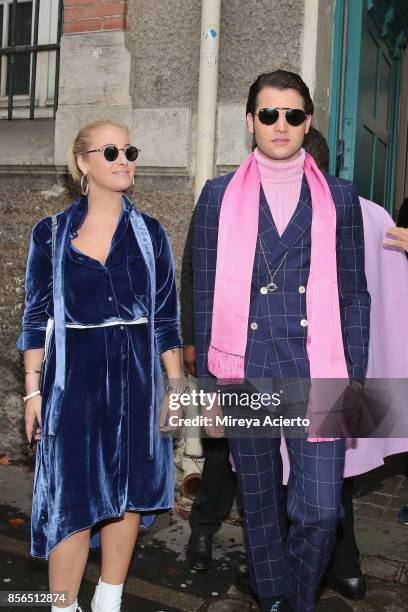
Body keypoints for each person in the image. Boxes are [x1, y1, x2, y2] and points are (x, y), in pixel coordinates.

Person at [191, 70, 370, 612]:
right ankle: (275, 598)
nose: (281, 125)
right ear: (251, 121)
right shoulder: (218, 196)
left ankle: (294, 597)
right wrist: (209, 390)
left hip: (320, 366)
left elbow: (355, 293)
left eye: (293, 114)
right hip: (244, 364)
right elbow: (200, 292)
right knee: (261, 501)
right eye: (269, 114)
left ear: (307, 121)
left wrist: (354, 378)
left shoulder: (340, 196)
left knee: (318, 508)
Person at [17, 119, 183, 612]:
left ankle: (109, 600)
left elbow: (167, 322)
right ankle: (62, 606)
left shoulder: (151, 233)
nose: (123, 159)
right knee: (73, 498)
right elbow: (35, 317)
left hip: (137, 379)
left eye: (128, 149)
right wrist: (32, 390)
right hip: (74, 382)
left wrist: (178, 392)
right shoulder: (49, 234)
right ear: (82, 163)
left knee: (128, 494)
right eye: (109, 151)